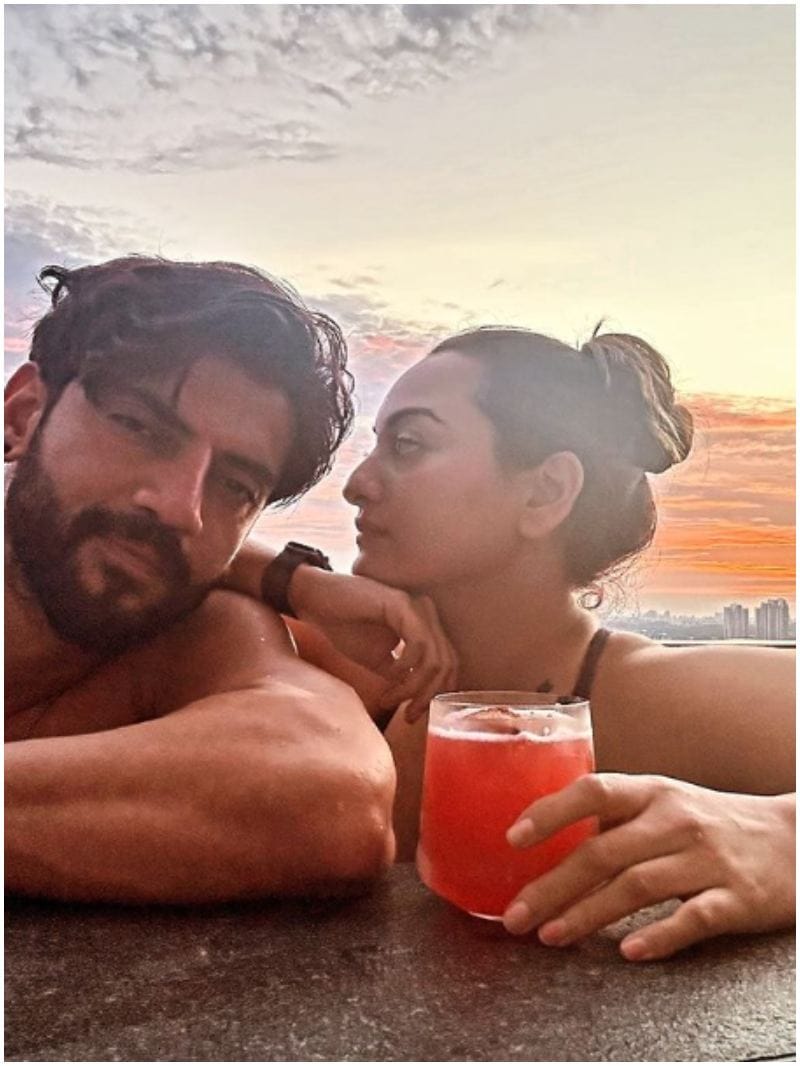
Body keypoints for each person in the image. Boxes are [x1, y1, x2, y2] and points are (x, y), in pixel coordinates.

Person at [228, 325, 795, 960]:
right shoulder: (350, 656)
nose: (357, 485)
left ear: (545, 492)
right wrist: (296, 582)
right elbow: (170, 554)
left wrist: (784, 837)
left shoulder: (639, 696)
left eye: (408, 445)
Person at [4, 255, 456, 904]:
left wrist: (288, 582)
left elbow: (333, 794)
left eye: (236, 485)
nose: (180, 508)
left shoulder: (194, 630)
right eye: (138, 426)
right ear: (23, 416)